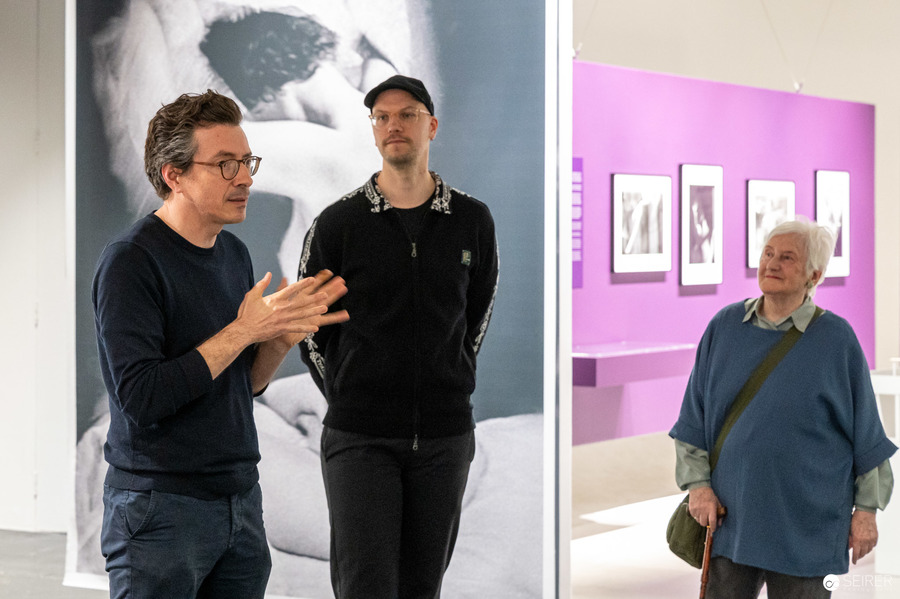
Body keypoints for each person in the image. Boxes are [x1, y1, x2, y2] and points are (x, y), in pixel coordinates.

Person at [91, 90, 348, 599]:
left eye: (248, 162)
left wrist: (278, 340)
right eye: (226, 164)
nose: (246, 178)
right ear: (174, 175)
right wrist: (244, 331)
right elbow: (142, 398)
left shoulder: (233, 253)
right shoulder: (130, 262)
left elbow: (240, 385)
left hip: (239, 501)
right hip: (160, 509)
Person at [298, 74, 500, 598]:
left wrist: (449, 380)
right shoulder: (338, 223)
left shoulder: (471, 220)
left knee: (421, 588)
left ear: (431, 126)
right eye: (382, 117)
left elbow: (474, 317)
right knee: (366, 587)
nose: (394, 125)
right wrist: (348, 391)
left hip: (443, 437)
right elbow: (306, 326)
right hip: (360, 439)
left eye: (407, 114)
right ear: (372, 130)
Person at [669, 218, 896, 598]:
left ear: (814, 275)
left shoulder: (836, 340)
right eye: (768, 253)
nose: (772, 264)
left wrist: (866, 511)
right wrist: (698, 487)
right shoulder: (725, 327)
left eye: (787, 257)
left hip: (808, 525)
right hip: (732, 517)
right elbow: (694, 418)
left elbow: (867, 435)